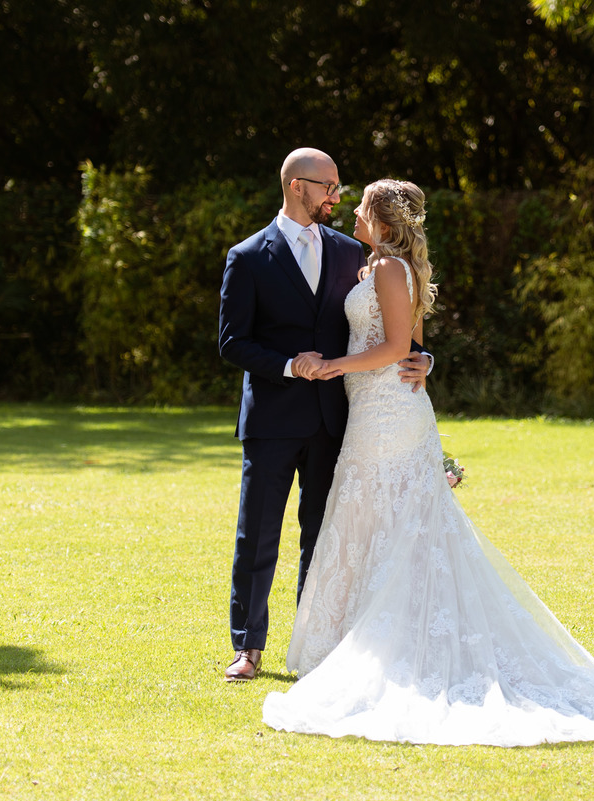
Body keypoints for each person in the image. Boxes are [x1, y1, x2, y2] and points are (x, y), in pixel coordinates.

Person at [261, 179, 594, 746]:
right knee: (375, 522)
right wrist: (407, 359)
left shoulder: (387, 270)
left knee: (397, 523)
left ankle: (395, 651)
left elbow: (394, 349)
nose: (353, 214)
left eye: (361, 208)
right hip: (374, 412)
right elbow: (402, 341)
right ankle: (363, 645)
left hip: (388, 415)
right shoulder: (377, 267)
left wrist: (335, 366)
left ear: (383, 221)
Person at [218, 149, 430, 682]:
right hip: (271, 417)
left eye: (341, 188)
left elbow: (394, 324)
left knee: (325, 534)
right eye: (328, 186)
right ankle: (248, 647)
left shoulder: (351, 252)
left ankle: (316, 644)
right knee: (258, 533)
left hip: (339, 419)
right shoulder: (247, 257)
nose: (337, 196)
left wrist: (425, 357)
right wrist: (291, 365)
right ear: (296, 186)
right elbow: (232, 343)